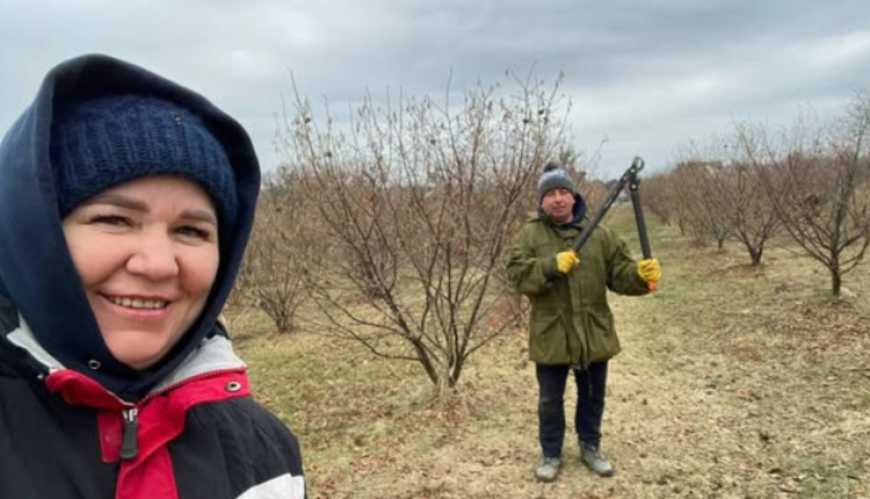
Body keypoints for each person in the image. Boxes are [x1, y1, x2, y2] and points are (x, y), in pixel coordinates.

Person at [0, 54, 305, 498]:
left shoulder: (266, 454)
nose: (159, 264)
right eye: (115, 220)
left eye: (190, 230)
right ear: (32, 234)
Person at [507, 162, 661, 482]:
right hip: (552, 331)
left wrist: (640, 276)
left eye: (564, 192)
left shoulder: (600, 234)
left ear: (574, 197)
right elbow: (518, 275)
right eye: (551, 194)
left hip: (592, 330)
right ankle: (551, 453)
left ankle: (590, 446)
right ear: (542, 201)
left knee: (593, 395)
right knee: (550, 399)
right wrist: (551, 265)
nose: (558, 199)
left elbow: (619, 274)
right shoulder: (529, 234)